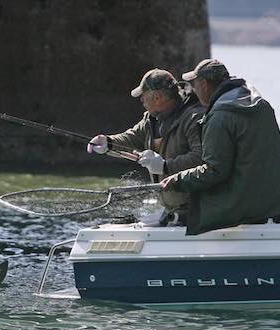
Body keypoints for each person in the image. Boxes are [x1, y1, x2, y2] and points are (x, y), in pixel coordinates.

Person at [161, 59, 280, 235]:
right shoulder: (261, 105)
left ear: (205, 85)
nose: (193, 91)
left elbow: (215, 170)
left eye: (194, 85)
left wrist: (177, 180)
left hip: (254, 210)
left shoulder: (220, 117)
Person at [87, 69, 204, 226]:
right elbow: (131, 137)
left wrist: (164, 166)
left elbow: (201, 158)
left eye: (143, 95)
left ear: (157, 97)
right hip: (172, 211)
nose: (141, 99)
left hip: (197, 212)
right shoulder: (151, 119)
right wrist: (108, 142)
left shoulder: (194, 118)